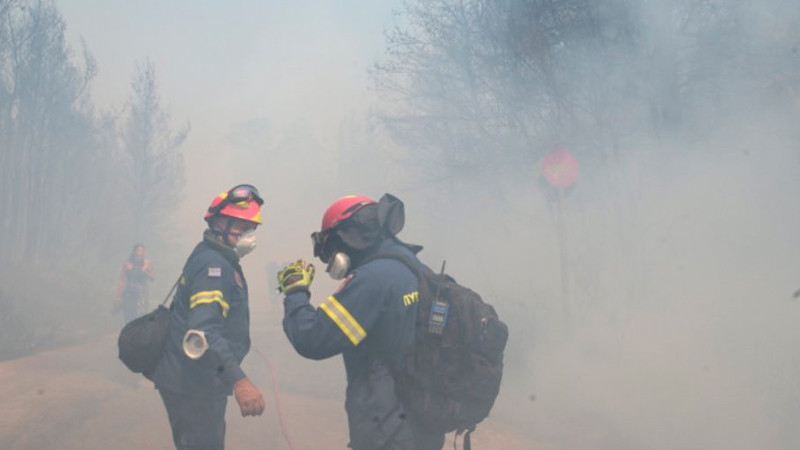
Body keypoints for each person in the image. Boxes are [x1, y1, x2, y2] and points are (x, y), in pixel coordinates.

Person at [277, 194, 445, 450]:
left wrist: (296, 292)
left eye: (331, 246)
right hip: (423, 425)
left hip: (387, 430)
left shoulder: (371, 280)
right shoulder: (413, 265)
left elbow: (312, 339)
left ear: (348, 238)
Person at [152, 184, 266, 450]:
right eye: (241, 226)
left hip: (198, 380)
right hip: (193, 383)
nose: (248, 234)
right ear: (218, 224)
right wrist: (240, 380)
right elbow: (203, 333)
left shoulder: (215, 257)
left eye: (251, 228)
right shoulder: (213, 266)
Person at [115, 243, 154, 324]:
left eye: (142, 251)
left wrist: (145, 272)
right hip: (129, 289)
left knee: (140, 312)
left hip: (141, 291)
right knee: (127, 311)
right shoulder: (127, 264)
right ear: (134, 251)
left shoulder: (147, 263)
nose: (141, 252)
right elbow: (121, 280)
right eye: (139, 250)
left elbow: (152, 277)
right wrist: (118, 295)